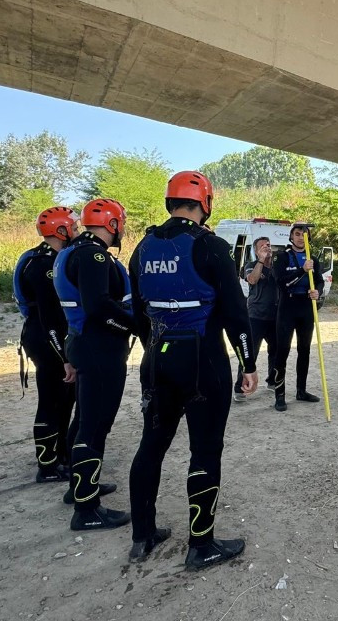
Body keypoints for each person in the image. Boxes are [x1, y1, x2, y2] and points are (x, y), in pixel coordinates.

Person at [126, 170, 259, 569]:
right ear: (206, 203)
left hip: (156, 361)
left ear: (170, 203)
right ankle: (200, 545)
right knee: (204, 451)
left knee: (151, 447)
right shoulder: (212, 247)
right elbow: (237, 312)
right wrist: (248, 362)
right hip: (204, 364)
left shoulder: (142, 247)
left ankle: (142, 536)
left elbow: (137, 314)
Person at [53, 198, 134, 530]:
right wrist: (135, 325)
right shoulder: (93, 254)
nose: (124, 229)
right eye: (122, 222)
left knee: (84, 418)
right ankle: (87, 509)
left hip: (83, 342)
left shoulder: (72, 251)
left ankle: (79, 487)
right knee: (94, 427)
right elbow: (99, 305)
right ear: (112, 224)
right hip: (98, 347)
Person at [13, 206, 80, 483]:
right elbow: (50, 317)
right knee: (51, 400)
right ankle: (48, 465)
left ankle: (61, 454)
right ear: (61, 230)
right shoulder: (43, 265)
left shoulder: (53, 257)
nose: (78, 231)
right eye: (74, 227)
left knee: (66, 398)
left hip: (50, 334)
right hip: (45, 336)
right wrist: (64, 355)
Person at [270, 223, 324, 412]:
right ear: (291, 237)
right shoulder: (281, 257)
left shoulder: (313, 259)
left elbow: (319, 280)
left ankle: (301, 390)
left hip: (306, 308)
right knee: (282, 351)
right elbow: (282, 283)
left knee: (304, 350)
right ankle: (280, 395)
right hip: (287, 308)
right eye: (298, 234)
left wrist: (317, 291)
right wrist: (302, 270)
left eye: (305, 235)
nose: (301, 238)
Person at [233, 236, 279, 400]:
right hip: (256, 316)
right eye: (262, 246)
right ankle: (240, 387)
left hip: (275, 317)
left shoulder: (276, 266)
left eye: (268, 244)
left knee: (276, 351)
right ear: (256, 250)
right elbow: (252, 280)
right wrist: (261, 260)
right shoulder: (251, 266)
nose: (267, 247)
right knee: (249, 353)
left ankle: (272, 381)